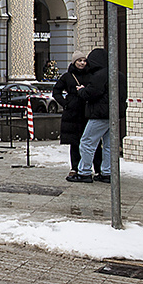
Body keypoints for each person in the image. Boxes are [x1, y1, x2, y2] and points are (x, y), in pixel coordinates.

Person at [53, 51, 99, 179]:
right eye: (79, 61)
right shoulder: (67, 76)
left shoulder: (91, 75)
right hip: (72, 113)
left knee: (91, 141)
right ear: (74, 62)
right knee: (75, 142)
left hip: (87, 111)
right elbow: (56, 91)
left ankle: (95, 168)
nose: (82, 63)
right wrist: (65, 103)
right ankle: (75, 167)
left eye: (84, 61)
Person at [69, 48, 112, 183]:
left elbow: (92, 93)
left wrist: (82, 91)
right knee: (109, 145)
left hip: (99, 114)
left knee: (87, 142)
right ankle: (107, 172)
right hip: (114, 115)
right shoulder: (117, 74)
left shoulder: (99, 76)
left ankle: (84, 172)